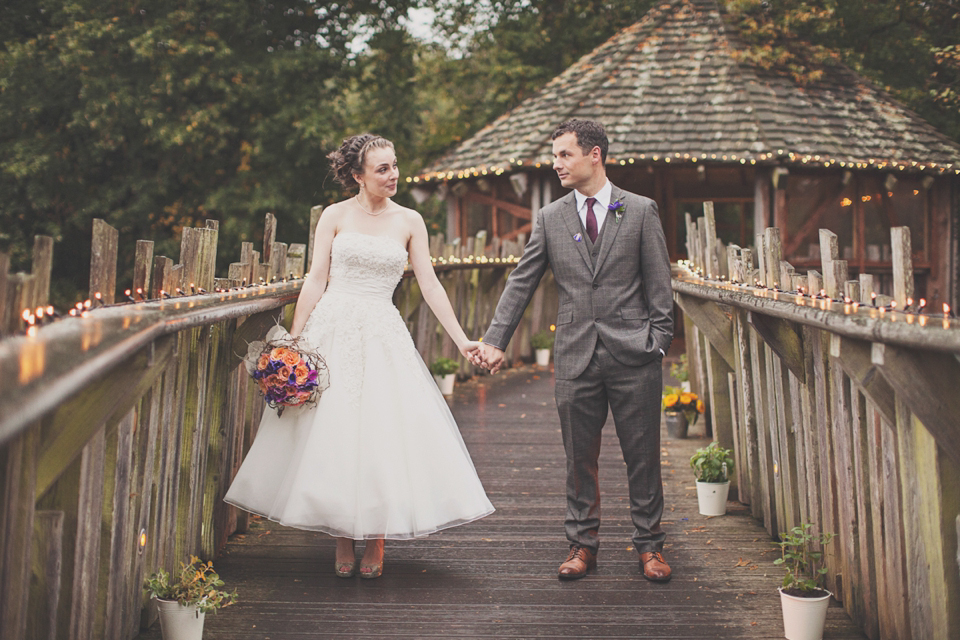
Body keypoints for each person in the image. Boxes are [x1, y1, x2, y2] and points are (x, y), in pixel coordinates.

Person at [225, 133, 494, 579]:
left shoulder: (409, 220)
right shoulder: (334, 215)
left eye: (394, 166)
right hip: (332, 325)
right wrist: (294, 339)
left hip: (381, 331)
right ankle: (342, 535)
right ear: (357, 175)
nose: (393, 175)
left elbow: (430, 284)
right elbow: (316, 278)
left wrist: (462, 339)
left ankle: (378, 535)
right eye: (382, 169)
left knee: (380, 429)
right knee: (333, 430)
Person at [477, 119, 674, 582]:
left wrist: (658, 344)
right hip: (574, 355)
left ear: (595, 155)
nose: (556, 163)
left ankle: (650, 547)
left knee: (643, 456)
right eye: (555, 155)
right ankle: (582, 545)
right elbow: (521, 282)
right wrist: (495, 340)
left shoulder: (641, 210)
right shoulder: (550, 217)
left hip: (635, 355)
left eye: (565, 154)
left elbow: (659, 285)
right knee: (578, 457)